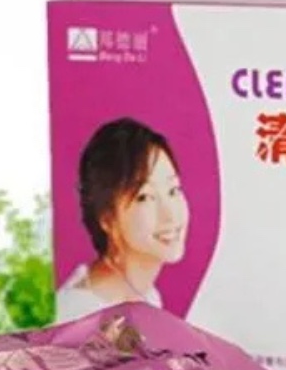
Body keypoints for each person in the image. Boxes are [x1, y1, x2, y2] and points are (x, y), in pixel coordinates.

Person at [57, 118, 189, 320]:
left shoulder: (147, 296)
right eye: (144, 197)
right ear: (107, 218)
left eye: (173, 190)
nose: (171, 214)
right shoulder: (80, 315)